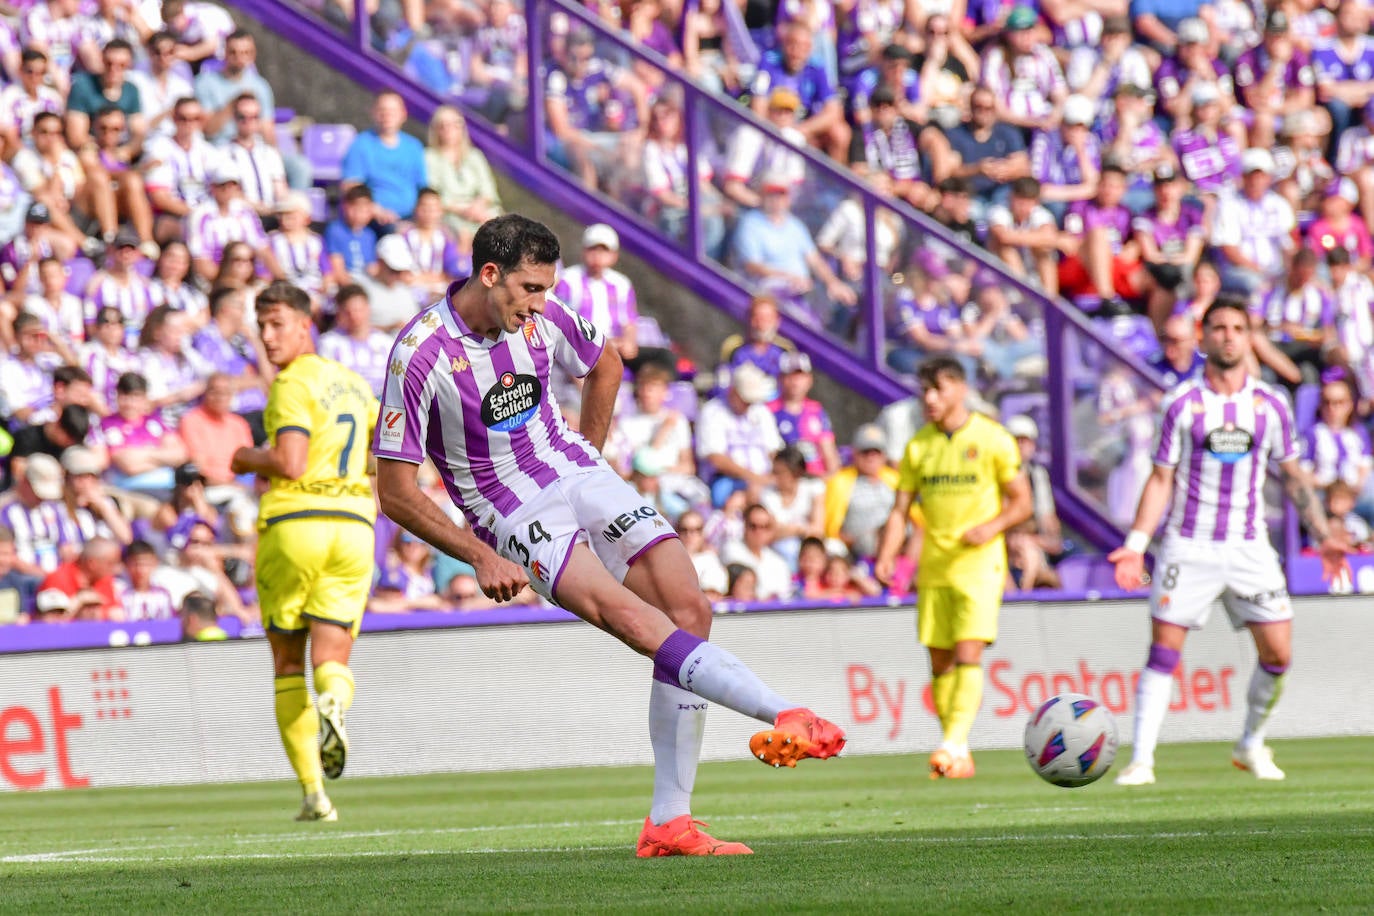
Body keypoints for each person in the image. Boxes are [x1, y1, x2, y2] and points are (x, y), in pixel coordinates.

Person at [371, 214, 846, 857]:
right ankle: (786, 712)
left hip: (572, 467)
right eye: (531, 289)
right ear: (490, 276)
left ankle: (669, 823)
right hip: (508, 509)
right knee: (631, 618)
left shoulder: (541, 316)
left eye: (547, 288)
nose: (542, 303)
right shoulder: (421, 352)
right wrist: (479, 553)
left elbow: (607, 363)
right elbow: (396, 491)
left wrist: (588, 458)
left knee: (689, 608)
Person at [1108, 298, 1349, 787]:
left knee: (1279, 654)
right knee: (1164, 651)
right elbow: (1159, 479)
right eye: (1218, 328)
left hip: (1248, 547)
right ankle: (1142, 760)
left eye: (1239, 328)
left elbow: (1294, 477)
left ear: (1249, 337)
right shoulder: (1181, 403)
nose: (1229, 336)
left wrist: (1323, 535)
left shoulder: (1270, 405)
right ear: (1203, 338)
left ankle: (1250, 743)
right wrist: (1136, 544)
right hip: (1187, 544)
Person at [229, 281, 378, 823]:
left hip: (296, 526)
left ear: (303, 324)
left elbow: (290, 462)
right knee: (333, 660)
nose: (267, 337)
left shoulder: (292, 383)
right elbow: (377, 462)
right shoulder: (356, 385)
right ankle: (335, 704)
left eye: (275, 325)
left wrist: (245, 457)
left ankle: (315, 793)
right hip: (355, 529)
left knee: (289, 661)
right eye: (261, 326)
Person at [873, 356, 1031, 779]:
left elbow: (1023, 501)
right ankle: (958, 752)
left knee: (968, 652)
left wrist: (992, 527)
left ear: (960, 389)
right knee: (939, 661)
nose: (929, 398)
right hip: (935, 566)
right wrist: (889, 553)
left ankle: (952, 743)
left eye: (938, 389)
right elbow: (899, 510)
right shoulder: (918, 446)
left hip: (980, 565)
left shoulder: (993, 438)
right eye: (924, 390)